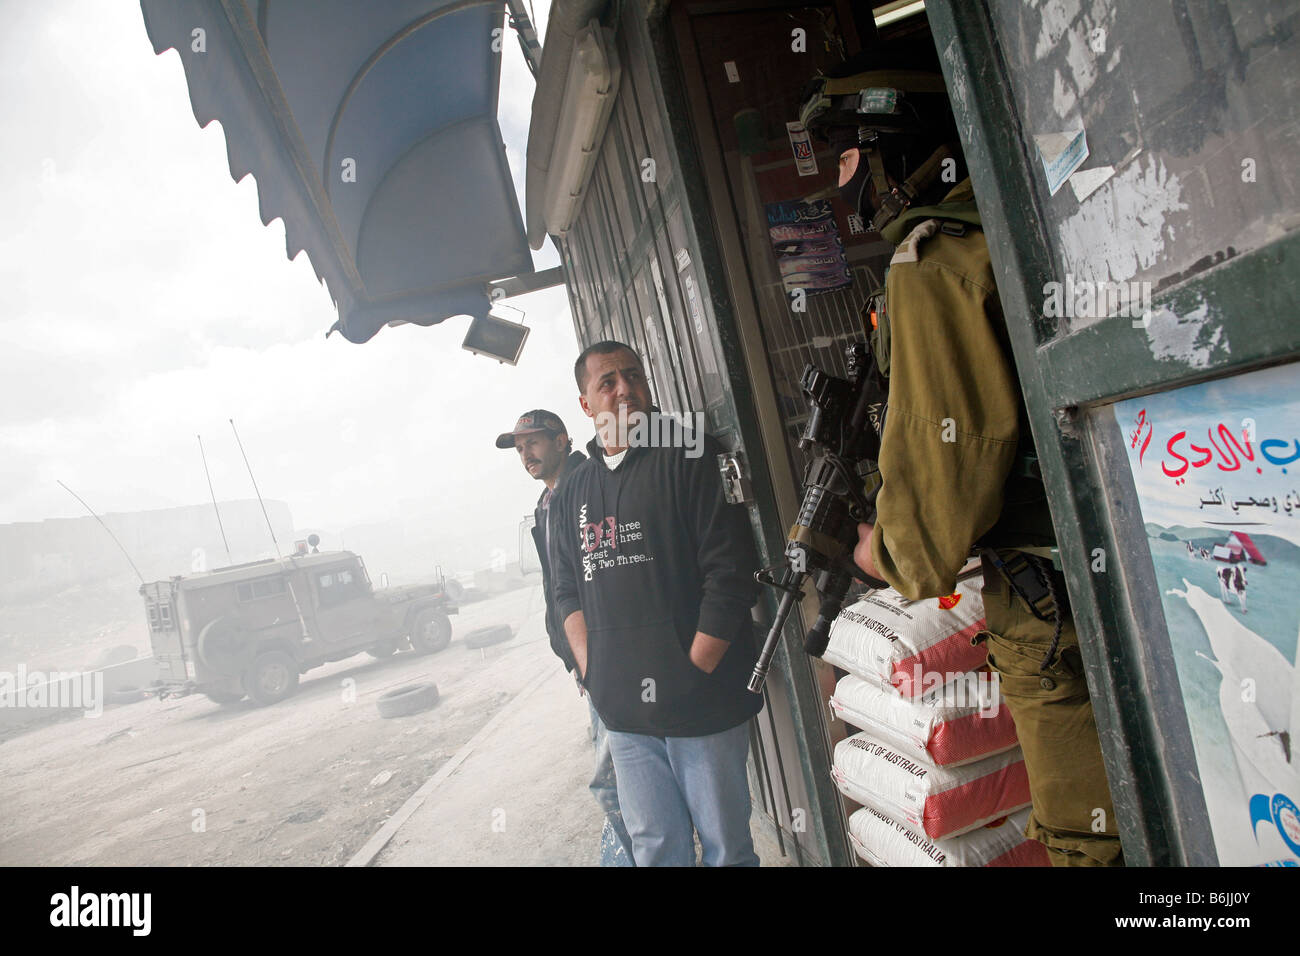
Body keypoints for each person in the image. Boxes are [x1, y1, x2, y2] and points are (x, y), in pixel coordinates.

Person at [799, 53, 1124, 866]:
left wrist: (890, 550)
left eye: (848, 161)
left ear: (893, 150)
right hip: (1132, 529)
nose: (844, 189)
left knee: (1090, 836)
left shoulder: (930, 258)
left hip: (1047, 586)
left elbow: (950, 469)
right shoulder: (1035, 206)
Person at [550, 342, 764, 866]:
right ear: (586, 403)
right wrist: (595, 672)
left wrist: (695, 671)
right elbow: (565, 592)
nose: (624, 389)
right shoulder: (573, 489)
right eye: (608, 382)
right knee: (656, 850)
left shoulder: (691, 450)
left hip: (703, 705)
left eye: (633, 376)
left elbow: (730, 573)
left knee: (726, 850)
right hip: (625, 716)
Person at [494, 408, 634, 866]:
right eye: (519, 448)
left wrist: (597, 656)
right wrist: (574, 659)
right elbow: (559, 587)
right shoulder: (546, 503)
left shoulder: (589, 486)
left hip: (611, 655)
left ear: (562, 441)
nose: (525, 454)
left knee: (609, 780)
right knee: (623, 774)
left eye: (533, 443)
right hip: (587, 660)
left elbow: (608, 570)